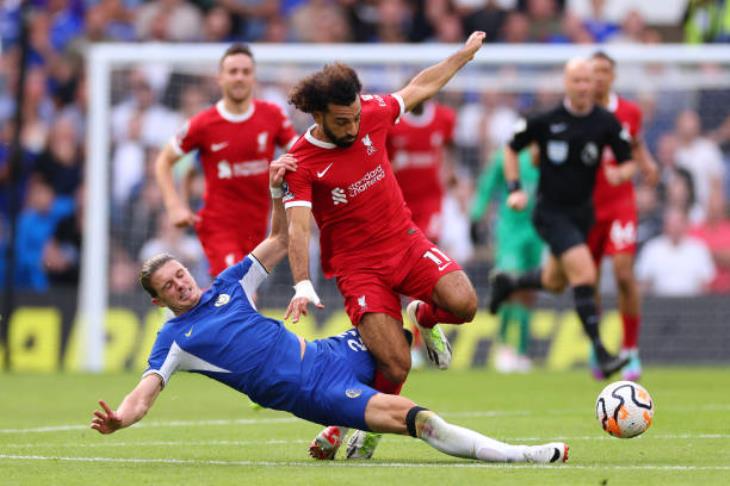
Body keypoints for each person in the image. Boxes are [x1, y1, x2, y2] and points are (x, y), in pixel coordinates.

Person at [89, 155, 569, 467]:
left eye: (179, 273)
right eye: (169, 286)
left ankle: (421, 319)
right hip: (315, 389)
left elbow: (279, 240)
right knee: (421, 422)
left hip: (326, 352)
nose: (181, 283)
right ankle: (522, 455)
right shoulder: (175, 340)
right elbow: (144, 395)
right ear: (159, 301)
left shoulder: (227, 284)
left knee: (395, 340)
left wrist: (277, 191)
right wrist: (121, 420)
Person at [282, 32, 485, 460]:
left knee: (465, 304)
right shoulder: (299, 162)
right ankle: (361, 429)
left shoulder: (371, 112)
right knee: (396, 364)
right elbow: (297, 228)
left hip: (405, 242)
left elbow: (420, 87)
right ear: (318, 114)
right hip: (359, 269)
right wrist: (302, 283)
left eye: (355, 117)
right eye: (342, 122)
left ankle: (422, 316)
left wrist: (462, 57)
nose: (353, 128)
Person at [488, 58, 636, 379]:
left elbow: (628, 161)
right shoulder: (545, 120)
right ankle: (602, 351)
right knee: (584, 273)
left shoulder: (606, 122)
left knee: (555, 282)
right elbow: (511, 149)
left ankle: (508, 282)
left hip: (583, 214)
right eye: (577, 81)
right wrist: (514, 188)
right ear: (566, 84)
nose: (584, 87)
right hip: (550, 212)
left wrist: (619, 173)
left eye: (588, 81)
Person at [155, 43, 298, 277]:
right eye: (233, 72)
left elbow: (300, 153)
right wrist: (174, 206)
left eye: (245, 72)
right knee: (239, 290)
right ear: (220, 78)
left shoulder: (273, 116)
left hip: (259, 225)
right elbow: (163, 161)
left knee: (237, 298)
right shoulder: (204, 123)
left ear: (254, 77)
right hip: (219, 225)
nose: (239, 77)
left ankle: (189, 314)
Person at [586, 51, 659, 382]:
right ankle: (599, 346)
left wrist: (647, 163)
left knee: (623, 272)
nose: (599, 77)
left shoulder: (629, 112)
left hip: (620, 206)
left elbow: (636, 144)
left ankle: (630, 349)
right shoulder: (580, 111)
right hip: (585, 208)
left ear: (613, 77)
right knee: (588, 280)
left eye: (604, 71)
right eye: (594, 72)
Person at [386, 99, 456, 368]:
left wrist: (449, 173)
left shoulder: (443, 118)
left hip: (431, 205)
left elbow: (449, 150)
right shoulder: (392, 124)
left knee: (425, 272)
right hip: (399, 207)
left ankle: (419, 340)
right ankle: (402, 341)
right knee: (397, 276)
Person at [470, 146, 542, 373]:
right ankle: (504, 348)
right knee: (508, 285)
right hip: (511, 232)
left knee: (529, 291)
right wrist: (476, 215)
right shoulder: (507, 157)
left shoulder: (548, 157)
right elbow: (487, 185)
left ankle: (521, 352)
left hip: (539, 231)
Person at [636, 205, 715, 296]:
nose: (675, 227)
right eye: (672, 223)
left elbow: (706, 285)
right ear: (665, 225)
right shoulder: (652, 249)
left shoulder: (699, 249)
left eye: (678, 223)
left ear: (686, 224)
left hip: (692, 305)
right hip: (659, 305)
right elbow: (644, 283)